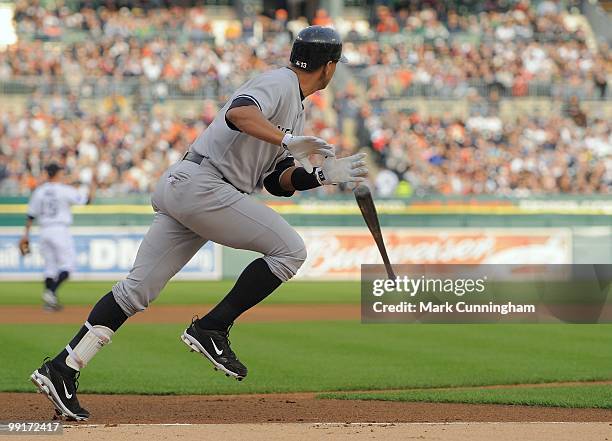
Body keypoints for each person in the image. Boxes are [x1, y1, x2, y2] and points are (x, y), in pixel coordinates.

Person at [30, 26, 368, 421]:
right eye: (335, 65)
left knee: (134, 292)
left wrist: (322, 175)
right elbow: (239, 113)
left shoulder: (293, 101)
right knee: (290, 251)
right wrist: (287, 139)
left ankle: (62, 369)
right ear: (328, 67)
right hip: (207, 186)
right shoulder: (281, 82)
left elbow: (276, 182)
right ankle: (212, 327)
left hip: (188, 185)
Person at [20, 163, 96, 311]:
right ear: (56, 174)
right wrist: (92, 187)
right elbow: (86, 200)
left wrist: (25, 235)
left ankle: (50, 303)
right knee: (68, 266)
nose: (63, 174)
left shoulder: (39, 191)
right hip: (60, 230)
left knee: (50, 267)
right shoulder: (64, 190)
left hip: (44, 231)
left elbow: (30, 215)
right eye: (61, 172)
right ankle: (51, 292)